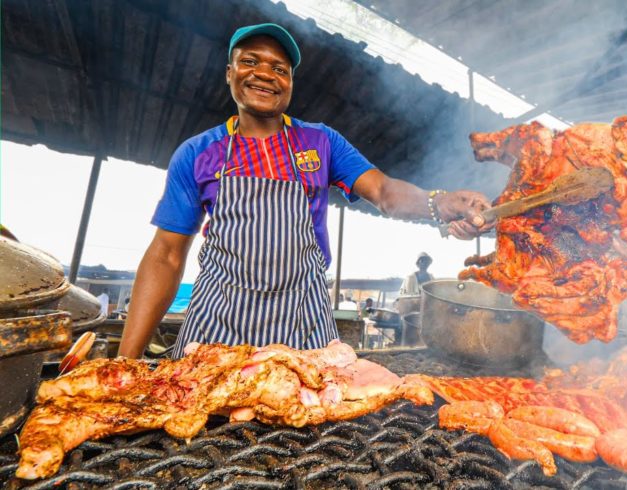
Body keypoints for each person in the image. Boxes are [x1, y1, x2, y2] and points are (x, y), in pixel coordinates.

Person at [118, 23, 492, 359]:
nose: (265, 74)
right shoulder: (198, 152)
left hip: (302, 329)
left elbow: (384, 192)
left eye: (280, 69)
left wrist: (443, 203)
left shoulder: (321, 142)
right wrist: (124, 363)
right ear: (230, 73)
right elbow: (166, 255)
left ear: (291, 84)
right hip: (217, 329)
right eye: (251, 62)